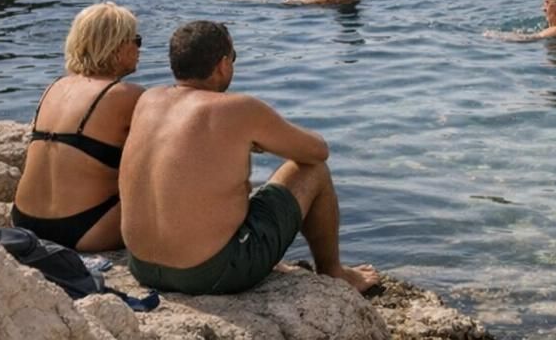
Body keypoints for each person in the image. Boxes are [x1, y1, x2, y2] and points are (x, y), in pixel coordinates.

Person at [120, 21, 378, 295]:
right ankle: (333, 271)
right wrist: (261, 140)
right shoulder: (238, 108)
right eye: (233, 57)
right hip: (208, 275)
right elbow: (317, 151)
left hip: (142, 267)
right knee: (314, 172)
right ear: (223, 65)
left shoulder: (148, 100)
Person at [9, 2, 144, 251]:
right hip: (85, 229)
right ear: (116, 46)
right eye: (136, 40)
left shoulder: (53, 88)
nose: (139, 48)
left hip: (24, 220)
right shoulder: (126, 94)